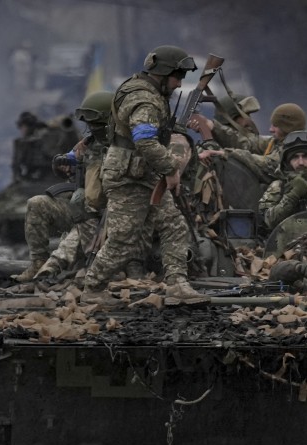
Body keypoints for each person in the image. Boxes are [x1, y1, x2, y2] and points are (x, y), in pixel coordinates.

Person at [80, 46, 207, 307]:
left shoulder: (144, 91)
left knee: (174, 225)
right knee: (124, 241)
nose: (179, 83)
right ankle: (93, 287)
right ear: (163, 74)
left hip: (142, 173)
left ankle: (177, 284)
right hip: (129, 177)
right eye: (177, 76)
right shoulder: (144, 99)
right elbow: (145, 141)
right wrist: (171, 168)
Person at [14, 90, 113, 282]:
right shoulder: (87, 144)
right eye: (90, 123)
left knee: (81, 207)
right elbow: (68, 160)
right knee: (37, 203)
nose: (92, 128)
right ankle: (38, 262)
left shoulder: (125, 146)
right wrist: (63, 166)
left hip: (111, 213)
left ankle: (62, 266)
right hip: (82, 209)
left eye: (96, 123)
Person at [257, 131, 307, 233]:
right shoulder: (278, 186)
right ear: (287, 162)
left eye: (305, 156)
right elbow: (268, 221)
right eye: (295, 157)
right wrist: (292, 195)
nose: (301, 162)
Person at [12, 111, 52, 183]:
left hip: (48, 177)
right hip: (30, 178)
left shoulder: (45, 137)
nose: (22, 129)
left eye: (23, 126)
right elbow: (16, 165)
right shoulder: (20, 143)